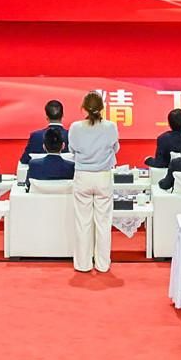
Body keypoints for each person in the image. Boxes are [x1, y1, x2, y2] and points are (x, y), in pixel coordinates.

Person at [68, 89, 120, 276]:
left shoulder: (75, 127)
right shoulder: (110, 127)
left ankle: (83, 264)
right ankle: (103, 264)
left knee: (82, 222)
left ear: (84, 107)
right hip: (103, 176)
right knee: (103, 222)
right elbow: (115, 148)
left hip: (83, 176)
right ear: (102, 107)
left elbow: (72, 150)